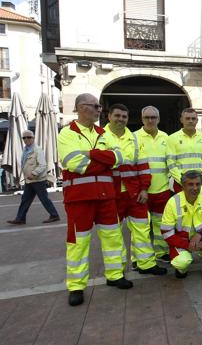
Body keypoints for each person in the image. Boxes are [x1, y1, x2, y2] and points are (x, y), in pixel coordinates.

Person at [58, 94, 131, 306]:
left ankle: (115, 275)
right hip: (79, 198)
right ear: (82, 107)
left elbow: (118, 158)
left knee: (113, 237)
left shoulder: (103, 133)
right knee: (78, 243)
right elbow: (75, 164)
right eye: (96, 106)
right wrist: (102, 158)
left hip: (106, 196)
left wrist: (90, 154)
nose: (100, 109)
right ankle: (76, 286)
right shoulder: (67, 133)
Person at [103, 103, 166, 276]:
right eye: (117, 116)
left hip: (134, 193)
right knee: (113, 234)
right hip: (112, 193)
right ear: (109, 116)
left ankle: (146, 264)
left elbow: (143, 166)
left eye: (124, 116)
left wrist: (144, 188)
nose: (120, 119)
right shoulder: (100, 137)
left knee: (142, 228)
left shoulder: (133, 139)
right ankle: (116, 273)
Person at [160, 171, 202, 282]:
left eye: (198, 184)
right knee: (182, 262)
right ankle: (182, 270)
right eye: (190, 184)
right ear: (183, 186)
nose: (195, 188)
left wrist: (200, 234)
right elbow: (166, 233)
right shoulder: (173, 202)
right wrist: (189, 245)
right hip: (181, 241)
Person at [134, 106, 171, 261]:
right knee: (140, 228)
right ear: (142, 119)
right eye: (147, 117)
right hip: (141, 191)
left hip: (162, 189)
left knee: (159, 224)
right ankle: (138, 259)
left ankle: (161, 253)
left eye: (153, 117)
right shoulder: (134, 137)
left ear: (158, 119)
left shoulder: (166, 137)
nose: (150, 120)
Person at [7, 130, 60, 225]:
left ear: (33, 138)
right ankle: (20, 218)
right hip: (29, 180)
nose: (26, 139)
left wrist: (34, 173)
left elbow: (43, 165)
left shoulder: (37, 150)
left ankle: (54, 215)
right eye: (24, 138)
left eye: (29, 137)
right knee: (25, 200)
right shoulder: (25, 149)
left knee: (44, 199)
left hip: (38, 180)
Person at [166, 108, 202, 193]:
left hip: (200, 183)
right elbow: (170, 163)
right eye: (187, 118)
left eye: (193, 118)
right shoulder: (172, 138)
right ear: (181, 120)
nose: (190, 121)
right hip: (180, 183)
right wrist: (181, 180)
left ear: (197, 120)